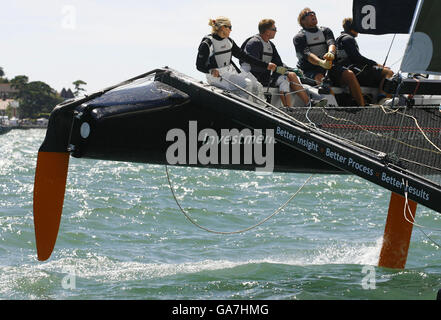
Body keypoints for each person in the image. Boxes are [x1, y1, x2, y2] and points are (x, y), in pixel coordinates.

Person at [241, 19, 326, 108]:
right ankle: (305, 103)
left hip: (265, 74)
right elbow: (253, 64)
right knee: (288, 76)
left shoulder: (270, 45)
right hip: (253, 76)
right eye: (274, 29)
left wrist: (292, 69)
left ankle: (289, 108)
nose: (276, 31)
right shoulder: (254, 43)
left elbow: (278, 63)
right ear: (267, 31)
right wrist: (272, 68)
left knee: (285, 78)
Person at [293, 8, 365, 106]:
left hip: (329, 65)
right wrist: (321, 62)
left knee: (349, 74)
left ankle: (362, 106)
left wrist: (330, 53)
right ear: (302, 20)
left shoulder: (325, 30)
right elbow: (307, 54)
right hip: (311, 70)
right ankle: (334, 109)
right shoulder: (299, 37)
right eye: (309, 14)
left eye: (313, 13)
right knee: (321, 79)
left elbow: (331, 43)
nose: (312, 15)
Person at [196, 17, 276, 102]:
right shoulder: (207, 43)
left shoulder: (229, 42)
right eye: (230, 27)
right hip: (216, 75)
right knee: (247, 84)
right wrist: (211, 70)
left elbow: (244, 56)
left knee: (257, 86)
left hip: (230, 71)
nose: (231, 30)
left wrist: (266, 65)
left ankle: (262, 107)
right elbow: (199, 65)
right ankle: (246, 107)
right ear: (223, 27)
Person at [336, 18, 394, 97]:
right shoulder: (348, 39)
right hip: (354, 70)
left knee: (382, 72)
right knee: (389, 72)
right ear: (353, 28)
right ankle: (382, 97)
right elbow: (357, 58)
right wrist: (377, 64)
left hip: (345, 70)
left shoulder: (340, 38)